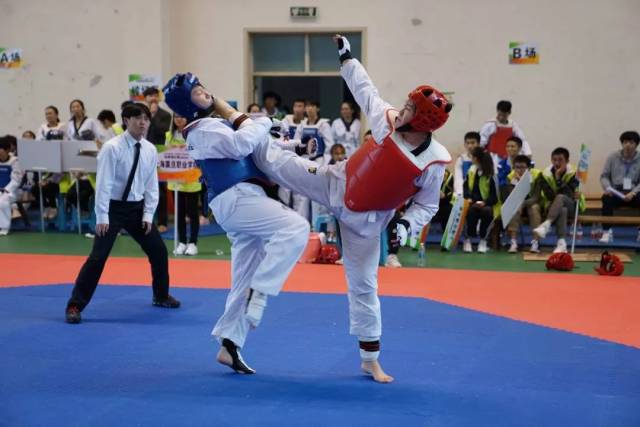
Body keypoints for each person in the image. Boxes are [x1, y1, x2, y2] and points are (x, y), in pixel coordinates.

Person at [165, 33, 452, 382]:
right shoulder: (388, 120)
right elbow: (366, 91)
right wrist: (347, 60)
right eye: (405, 104)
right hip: (333, 179)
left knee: (364, 286)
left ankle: (369, 358)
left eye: (410, 109)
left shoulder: (433, 163)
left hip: (366, 220)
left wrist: (405, 226)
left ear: (422, 122)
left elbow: (427, 204)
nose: (401, 109)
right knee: (268, 156)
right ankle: (243, 320)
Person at [163, 73, 310, 374]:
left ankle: (230, 342)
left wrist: (293, 146)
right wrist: (265, 121)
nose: (206, 93)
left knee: (244, 275)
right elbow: (242, 144)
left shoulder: (210, 125)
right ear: (187, 108)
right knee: (296, 228)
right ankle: (262, 291)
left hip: (238, 200)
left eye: (205, 89)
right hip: (237, 199)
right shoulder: (201, 130)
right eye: (198, 93)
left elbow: (253, 148)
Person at [65, 103, 179, 324]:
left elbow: (151, 185)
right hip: (113, 208)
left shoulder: (150, 149)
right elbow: (104, 184)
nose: (143, 122)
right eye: (138, 118)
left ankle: (161, 295)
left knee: (158, 251)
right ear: (126, 121)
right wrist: (102, 216)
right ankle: (74, 305)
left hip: (136, 209)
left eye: (146, 118)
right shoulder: (112, 147)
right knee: (98, 257)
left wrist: (147, 215)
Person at [533, 147, 584, 253]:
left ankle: (547, 224)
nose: (557, 163)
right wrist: (558, 182)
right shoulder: (545, 175)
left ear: (567, 161)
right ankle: (561, 243)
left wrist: (558, 178)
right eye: (554, 160)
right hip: (553, 206)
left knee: (561, 198)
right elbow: (550, 196)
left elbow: (569, 195)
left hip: (573, 206)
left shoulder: (575, 174)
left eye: (560, 160)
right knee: (562, 209)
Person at [165, 113, 201, 255]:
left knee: (192, 212)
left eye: (182, 116)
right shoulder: (169, 135)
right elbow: (166, 156)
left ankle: (192, 243)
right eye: (176, 117)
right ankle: (181, 242)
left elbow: (198, 154)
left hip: (191, 178)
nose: (179, 119)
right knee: (178, 213)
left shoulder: (194, 134)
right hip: (175, 181)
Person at [599, 130, 640, 243]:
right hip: (616, 191)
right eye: (625, 142)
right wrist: (608, 188)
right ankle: (606, 232)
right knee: (606, 199)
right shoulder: (612, 157)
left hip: (633, 192)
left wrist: (633, 193)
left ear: (636, 145)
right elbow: (604, 176)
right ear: (622, 143)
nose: (628, 145)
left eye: (631, 142)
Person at [462, 147, 499, 253]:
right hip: (472, 202)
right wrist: (468, 197)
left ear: (477, 159)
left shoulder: (491, 176)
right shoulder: (471, 171)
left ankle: (483, 240)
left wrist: (485, 202)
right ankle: (468, 239)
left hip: (488, 204)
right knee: (470, 211)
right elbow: (466, 187)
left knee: (486, 212)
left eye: (472, 157)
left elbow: (494, 196)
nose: (471, 159)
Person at [504, 155, 543, 253]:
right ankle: (513, 242)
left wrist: (523, 203)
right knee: (514, 208)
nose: (519, 170)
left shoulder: (537, 175)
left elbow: (536, 197)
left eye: (522, 167)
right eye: (517, 167)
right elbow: (511, 197)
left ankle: (535, 242)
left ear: (529, 168)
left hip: (532, 203)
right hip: (518, 205)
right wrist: (516, 183)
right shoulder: (510, 177)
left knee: (534, 209)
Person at [0, 136, 23, 235]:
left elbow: (16, 181)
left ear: (8, 150)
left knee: (2, 201)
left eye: (1, 152)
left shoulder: (15, 161)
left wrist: (5, 190)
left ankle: (4, 227)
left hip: (13, 191)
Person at [453, 132, 481, 198]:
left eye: (472, 143)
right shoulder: (461, 159)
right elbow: (458, 178)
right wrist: (461, 194)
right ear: (464, 144)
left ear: (479, 144)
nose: (470, 146)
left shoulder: (485, 158)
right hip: (465, 192)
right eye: (467, 143)